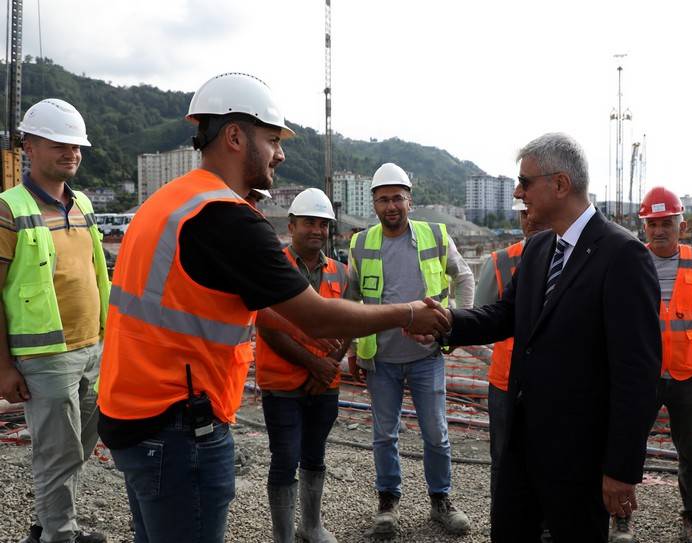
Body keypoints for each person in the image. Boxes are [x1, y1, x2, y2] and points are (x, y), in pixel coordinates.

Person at [95, 73, 449, 543]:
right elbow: (317, 315)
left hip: (130, 411)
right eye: (273, 140)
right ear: (236, 137)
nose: (281, 154)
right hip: (179, 424)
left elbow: (221, 305)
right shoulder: (225, 217)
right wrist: (407, 313)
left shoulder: (167, 201)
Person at [426, 132, 662, 542]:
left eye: (525, 182)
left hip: (581, 455)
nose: (518, 193)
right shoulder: (539, 249)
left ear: (560, 184)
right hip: (523, 442)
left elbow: (637, 374)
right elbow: (506, 315)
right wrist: (447, 322)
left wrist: (621, 469)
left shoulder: (623, 255)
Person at [0, 99, 108, 543]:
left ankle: (51, 526)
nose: (71, 153)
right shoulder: (10, 208)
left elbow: (96, 273)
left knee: (78, 448)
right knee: (56, 454)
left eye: (77, 146)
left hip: (92, 348)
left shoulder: (81, 203)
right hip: (46, 355)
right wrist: (4, 366)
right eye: (59, 143)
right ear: (29, 146)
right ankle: (59, 536)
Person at [347, 162, 474, 538]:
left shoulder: (435, 235)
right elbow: (352, 300)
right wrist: (355, 348)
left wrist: (455, 325)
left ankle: (441, 501)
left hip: (426, 358)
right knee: (384, 434)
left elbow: (464, 277)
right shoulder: (360, 243)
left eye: (397, 198)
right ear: (373, 203)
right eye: (384, 199)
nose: (391, 206)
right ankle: (388, 503)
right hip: (380, 359)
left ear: (410, 201)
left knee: (436, 432)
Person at [609, 188, 692, 543]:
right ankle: (621, 518)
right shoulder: (631, 261)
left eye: (666, 223)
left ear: (682, 225)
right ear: (643, 226)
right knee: (625, 446)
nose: (659, 230)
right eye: (652, 224)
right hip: (639, 377)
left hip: (688, 375)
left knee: (691, 451)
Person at [255, 188, 349, 543]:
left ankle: (311, 526)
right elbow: (267, 327)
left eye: (323, 224)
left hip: (324, 384)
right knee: (285, 457)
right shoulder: (272, 267)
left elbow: (348, 325)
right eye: (310, 222)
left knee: (315, 453)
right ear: (291, 225)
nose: (317, 230)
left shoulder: (340, 272)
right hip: (282, 383)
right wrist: (315, 365)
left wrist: (330, 366)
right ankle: (283, 536)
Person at [473, 197, 549, 536]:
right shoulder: (500, 262)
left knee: (553, 459)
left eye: (533, 209)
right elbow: (483, 319)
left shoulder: (576, 258)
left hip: (555, 384)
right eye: (524, 212)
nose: (530, 218)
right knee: (504, 463)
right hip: (506, 383)